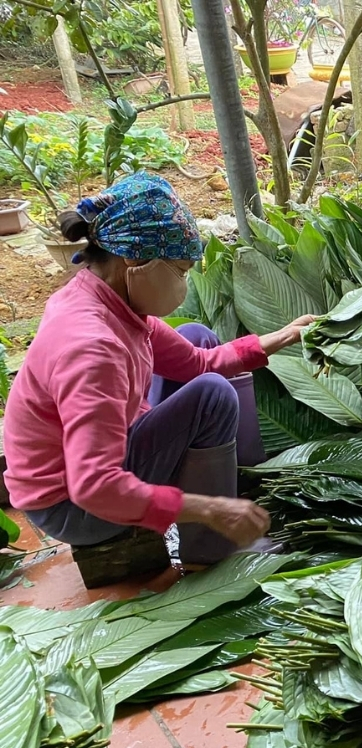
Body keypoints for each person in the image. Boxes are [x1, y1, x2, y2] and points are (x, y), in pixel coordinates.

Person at [3, 173, 313, 566]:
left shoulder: (106, 299)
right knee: (212, 395)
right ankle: (213, 545)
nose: (184, 282)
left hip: (95, 459)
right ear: (134, 259)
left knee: (197, 336)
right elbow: (93, 487)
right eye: (180, 271)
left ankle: (236, 479)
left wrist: (284, 335)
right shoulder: (93, 348)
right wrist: (208, 508)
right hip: (72, 507)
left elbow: (197, 361)